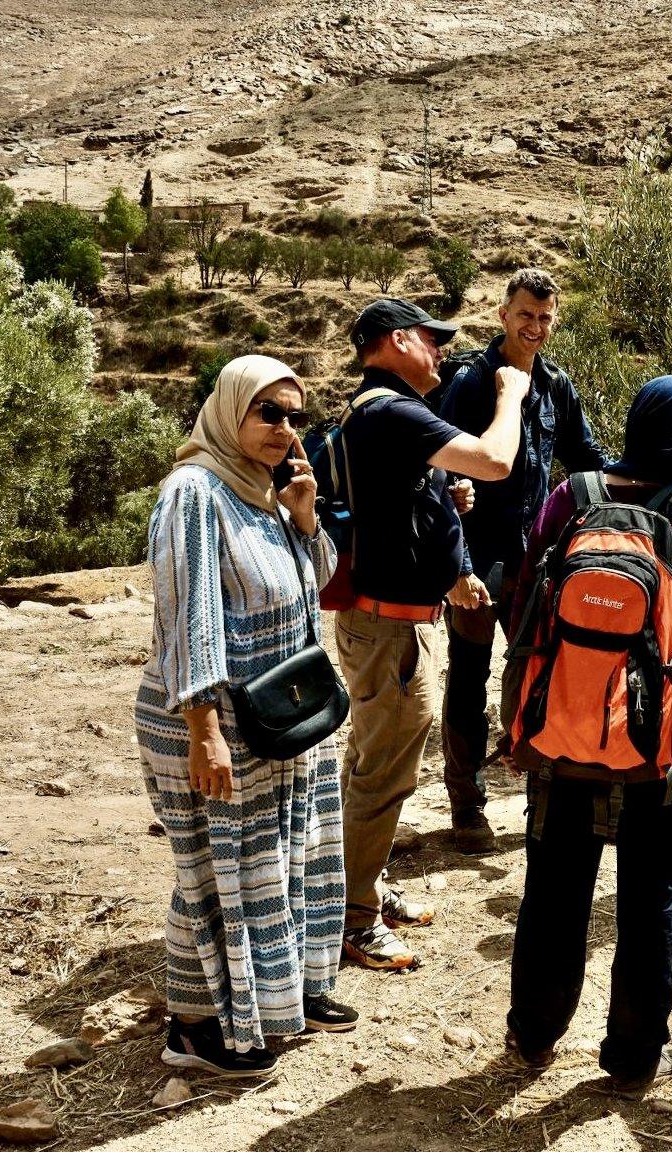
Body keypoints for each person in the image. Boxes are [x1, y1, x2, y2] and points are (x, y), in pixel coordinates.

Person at [503, 376, 672, 1098]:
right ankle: (634, 1056)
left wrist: (520, 713)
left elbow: (526, 607)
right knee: (650, 899)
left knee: (553, 888)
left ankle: (534, 1033)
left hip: (564, 729)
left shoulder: (570, 498)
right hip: (665, 748)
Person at [136, 354, 357, 1078]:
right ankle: (194, 1027)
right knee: (215, 869)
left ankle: (287, 992)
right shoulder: (195, 491)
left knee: (288, 855)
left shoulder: (263, 492)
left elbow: (313, 580)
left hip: (282, 710)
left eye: (295, 416)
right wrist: (205, 731)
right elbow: (188, 616)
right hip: (216, 717)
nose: (284, 429)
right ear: (229, 410)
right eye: (268, 412)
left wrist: (304, 518)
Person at [330, 297, 531, 971]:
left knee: (378, 764)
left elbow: (403, 507)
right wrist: (512, 396)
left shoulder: (379, 414)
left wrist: (444, 499)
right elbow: (496, 461)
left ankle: (364, 887)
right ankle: (354, 919)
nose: (441, 350)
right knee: (381, 775)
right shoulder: (390, 410)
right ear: (392, 342)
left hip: (390, 623)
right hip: (387, 630)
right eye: (429, 338)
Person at [436, 269, 610, 855]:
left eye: (545, 317)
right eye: (525, 316)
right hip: (476, 554)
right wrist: (454, 560)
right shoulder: (472, 382)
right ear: (504, 316)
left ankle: (543, 790)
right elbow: (445, 467)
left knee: (543, 667)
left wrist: (641, 475)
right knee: (468, 673)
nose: (534, 327)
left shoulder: (557, 385)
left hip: (535, 556)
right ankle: (467, 806)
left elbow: (584, 456)